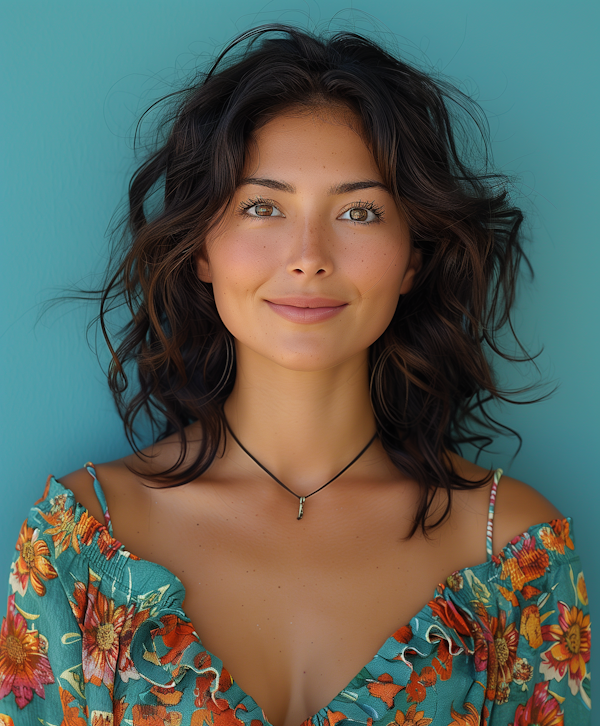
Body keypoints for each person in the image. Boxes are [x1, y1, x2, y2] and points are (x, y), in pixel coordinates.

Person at [0, 23, 591, 726]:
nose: (309, 255)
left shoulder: (510, 553)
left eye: (358, 211)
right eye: (262, 206)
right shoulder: (82, 542)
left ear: (412, 259)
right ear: (202, 250)